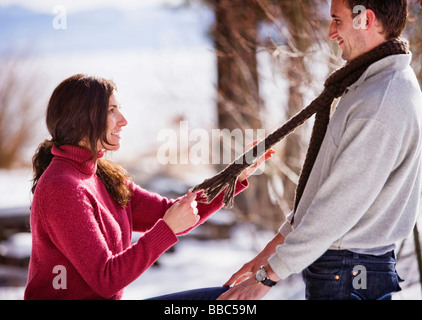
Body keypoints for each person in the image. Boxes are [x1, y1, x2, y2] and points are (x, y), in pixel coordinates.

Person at [219, 0, 422, 300]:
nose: (331, 32)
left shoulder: (381, 99)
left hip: (349, 272)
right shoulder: (371, 87)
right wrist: (268, 254)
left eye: (337, 20)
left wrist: (267, 277)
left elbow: (338, 206)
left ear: (364, 19)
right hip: (347, 269)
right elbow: (324, 191)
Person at [24, 74, 274, 300]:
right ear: (79, 118)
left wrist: (234, 175)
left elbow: (173, 212)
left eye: (119, 109)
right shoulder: (62, 187)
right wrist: (166, 229)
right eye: (111, 111)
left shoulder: (103, 176)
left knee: (233, 299)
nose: (123, 120)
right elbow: (105, 278)